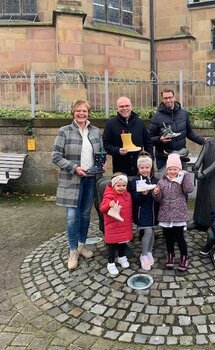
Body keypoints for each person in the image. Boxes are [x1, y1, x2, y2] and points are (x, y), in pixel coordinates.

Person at [52, 99, 104, 270]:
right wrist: (74, 168)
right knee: (72, 216)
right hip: (71, 180)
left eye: (84, 111)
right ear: (73, 112)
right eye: (78, 111)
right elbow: (56, 156)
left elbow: (101, 153)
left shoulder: (95, 132)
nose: (81, 114)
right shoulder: (64, 131)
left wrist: (101, 163)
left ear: (88, 113)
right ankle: (73, 250)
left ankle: (82, 246)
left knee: (85, 215)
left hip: (90, 179)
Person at [152, 153, 194, 271]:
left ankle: (184, 256)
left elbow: (189, 189)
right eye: (170, 169)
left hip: (179, 214)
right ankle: (170, 254)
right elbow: (159, 199)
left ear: (179, 169)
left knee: (180, 237)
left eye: (175, 169)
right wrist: (156, 193)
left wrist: (185, 177)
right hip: (165, 214)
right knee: (168, 237)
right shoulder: (162, 182)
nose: (172, 172)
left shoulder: (181, 181)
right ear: (167, 170)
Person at [148, 88, 206, 170]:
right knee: (165, 182)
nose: (168, 100)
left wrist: (204, 141)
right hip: (164, 158)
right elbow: (149, 139)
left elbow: (189, 133)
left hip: (181, 157)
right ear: (162, 99)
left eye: (170, 97)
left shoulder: (184, 114)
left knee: (182, 181)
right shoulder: (156, 117)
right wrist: (160, 139)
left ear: (174, 97)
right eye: (165, 98)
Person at [103, 96, 153, 176]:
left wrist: (149, 160)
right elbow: (106, 145)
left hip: (139, 169)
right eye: (121, 106)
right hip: (120, 169)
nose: (124, 108)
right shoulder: (110, 124)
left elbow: (148, 143)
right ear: (117, 108)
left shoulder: (140, 123)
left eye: (127, 106)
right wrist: (117, 150)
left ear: (131, 107)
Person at [129, 152, 159, 271]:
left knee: (152, 231)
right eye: (142, 167)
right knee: (147, 232)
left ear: (151, 167)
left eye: (147, 167)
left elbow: (159, 198)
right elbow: (135, 199)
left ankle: (150, 252)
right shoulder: (135, 180)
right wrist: (143, 194)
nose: (145, 170)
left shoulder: (155, 180)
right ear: (138, 168)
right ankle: (144, 255)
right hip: (142, 211)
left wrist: (157, 193)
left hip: (153, 211)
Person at [99, 173, 133, 276]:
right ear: (113, 186)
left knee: (122, 242)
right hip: (113, 226)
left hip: (124, 225)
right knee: (112, 246)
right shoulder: (110, 195)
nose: (121, 188)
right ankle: (111, 263)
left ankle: (122, 257)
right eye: (118, 186)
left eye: (123, 185)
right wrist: (109, 204)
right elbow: (102, 207)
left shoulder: (127, 195)